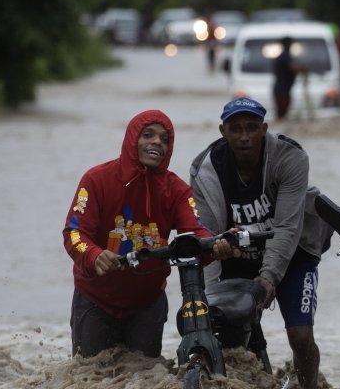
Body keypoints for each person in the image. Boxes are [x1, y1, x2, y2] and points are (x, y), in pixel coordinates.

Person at [62, 110, 233, 359]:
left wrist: (218, 244)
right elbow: (74, 232)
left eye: (165, 139)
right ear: (132, 140)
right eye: (148, 135)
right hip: (95, 299)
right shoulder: (96, 180)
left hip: (147, 303)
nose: (157, 142)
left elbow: (195, 233)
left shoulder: (177, 190)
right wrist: (94, 255)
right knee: (91, 384)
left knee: (145, 382)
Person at [190, 97, 330, 389]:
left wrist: (268, 279)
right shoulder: (205, 169)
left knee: (301, 335)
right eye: (235, 129)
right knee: (226, 333)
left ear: (264, 129)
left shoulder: (289, 158)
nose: (244, 137)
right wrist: (209, 295)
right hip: (237, 255)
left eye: (252, 128)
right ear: (222, 131)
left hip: (293, 251)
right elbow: (207, 235)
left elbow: (288, 227)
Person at [272, 36, 299, 119]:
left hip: (283, 89)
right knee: (282, 113)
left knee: (282, 113)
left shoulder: (283, 56)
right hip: (281, 90)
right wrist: (302, 68)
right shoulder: (285, 56)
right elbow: (292, 68)